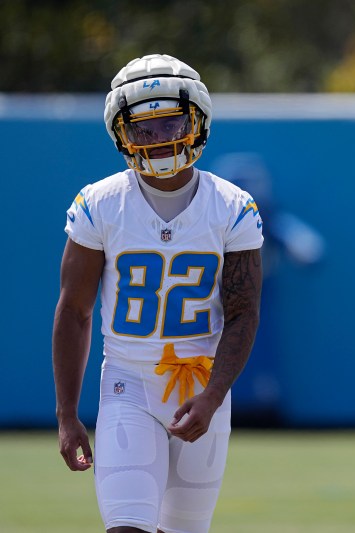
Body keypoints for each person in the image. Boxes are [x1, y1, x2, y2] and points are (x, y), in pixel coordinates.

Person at [52, 54, 263, 533]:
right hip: (129, 384)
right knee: (127, 527)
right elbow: (75, 311)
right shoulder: (100, 204)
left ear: (197, 122)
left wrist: (212, 396)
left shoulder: (232, 208)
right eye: (143, 129)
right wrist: (67, 413)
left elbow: (244, 313)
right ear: (121, 135)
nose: (159, 139)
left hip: (204, 386)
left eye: (170, 123)